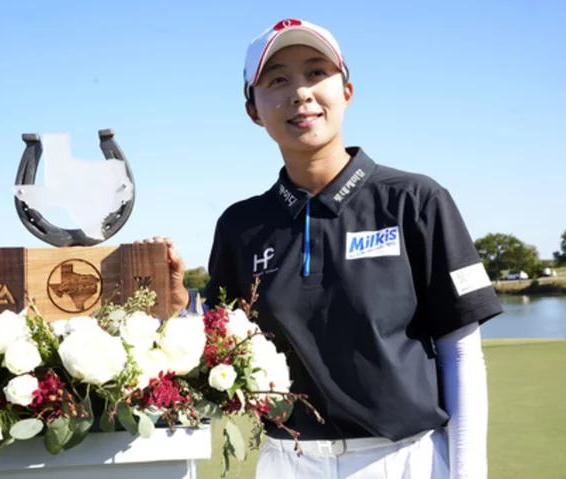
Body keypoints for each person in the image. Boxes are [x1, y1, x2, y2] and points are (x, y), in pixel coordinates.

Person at [141, 18, 503, 479]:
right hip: (285, 462)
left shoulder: (415, 200)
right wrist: (176, 303)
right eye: (277, 80)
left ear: (346, 91)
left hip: (404, 460)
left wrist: (468, 473)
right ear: (253, 109)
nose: (300, 93)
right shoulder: (240, 225)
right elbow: (217, 347)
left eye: (316, 72)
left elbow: (460, 352)